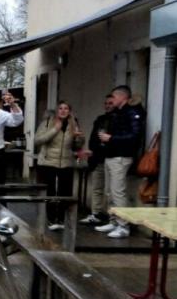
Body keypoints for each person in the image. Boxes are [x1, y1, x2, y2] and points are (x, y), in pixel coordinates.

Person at [94, 85, 144, 238]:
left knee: (118, 192)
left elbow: (135, 136)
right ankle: (114, 221)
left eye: (114, 97)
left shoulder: (133, 112)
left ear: (123, 97)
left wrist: (111, 138)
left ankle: (123, 226)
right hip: (111, 155)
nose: (112, 100)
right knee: (111, 192)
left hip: (121, 156)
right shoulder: (118, 113)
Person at [34, 101, 84, 231]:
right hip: (48, 161)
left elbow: (77, 146)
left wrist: (79, 138)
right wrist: (55, 129)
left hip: (66, 162)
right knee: (50, 191)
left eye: (66, 108)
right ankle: (51, 219)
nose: (63, 111)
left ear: (69, 111)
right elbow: (38, 140)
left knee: (65, 192)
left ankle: (61, 219)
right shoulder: (47, 122)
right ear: (57, 110)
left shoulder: (73, 124)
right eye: (60, 108)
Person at [80, 94, 114, 225]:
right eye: (106, 103)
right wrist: (92, 151)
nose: (107, 106)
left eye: (110, 103)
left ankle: (112, 218)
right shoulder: (100, 119)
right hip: (97, 158)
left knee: (111, 191)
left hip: (111, 158)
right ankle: (96, 213)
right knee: (97, 188)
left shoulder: (118, 120)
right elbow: (93, 138)